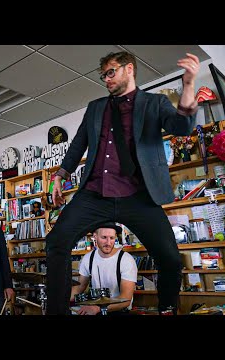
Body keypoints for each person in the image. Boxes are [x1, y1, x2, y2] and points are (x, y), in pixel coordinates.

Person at [46, 51, 200, 315]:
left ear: (129, 69)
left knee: (171, 259)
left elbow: (182, 127)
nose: (106, 79)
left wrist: (188, 85)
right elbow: (78, 143)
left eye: (110, 72)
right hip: (95, 194)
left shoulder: (154, 103)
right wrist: (60, 174)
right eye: (103, 75)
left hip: (138, 196)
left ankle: (166, 309)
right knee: (56, 242)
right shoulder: (96, 107)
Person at [70, 222, 137, 315]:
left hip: (118, 311)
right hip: (94, 309)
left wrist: (98, 309)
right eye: (104, 237)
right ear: (95, 236)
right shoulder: (88, 258)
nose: (108, 243)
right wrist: (59, 301)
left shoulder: (126, 260)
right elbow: (79, 288)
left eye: (112, 238)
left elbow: (126, 299)